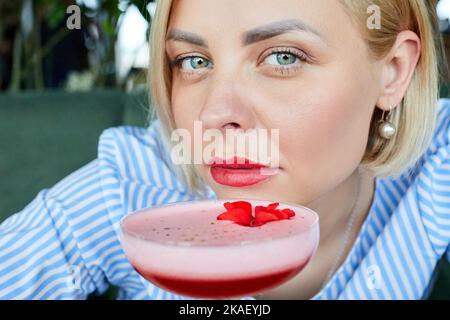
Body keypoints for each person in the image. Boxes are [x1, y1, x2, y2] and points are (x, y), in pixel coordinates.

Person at [1, 0, 449, 300]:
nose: (215, 115)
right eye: (194, 62)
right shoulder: (131, 185)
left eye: (283, 57)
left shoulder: (435, 165)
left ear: (392, 71)